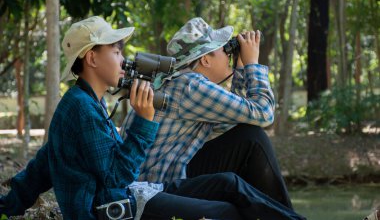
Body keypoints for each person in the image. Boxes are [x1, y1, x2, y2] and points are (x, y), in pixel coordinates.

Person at [0, 16, 307, 220]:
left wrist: (8, 205)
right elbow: (115, 181)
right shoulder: (80, 108)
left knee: (230, 183)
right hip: (119, 208)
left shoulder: (84, 103)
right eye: (116, 51)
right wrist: (145, 123)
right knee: (228, 211)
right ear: (91, 58)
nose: (124, 58)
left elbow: (45, 162)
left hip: (137, 193)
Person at [122, 17, 293, 208]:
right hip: (157, 185)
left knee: (248, 135)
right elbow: (264, 114)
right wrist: (253, 63)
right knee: (253, 138)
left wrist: (241, 67)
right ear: (205, 59)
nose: (228, 54)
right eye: (223, 49)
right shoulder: (191, 85)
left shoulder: (177, 80)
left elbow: (239, 120)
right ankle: (285, 214)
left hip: (164, 174)